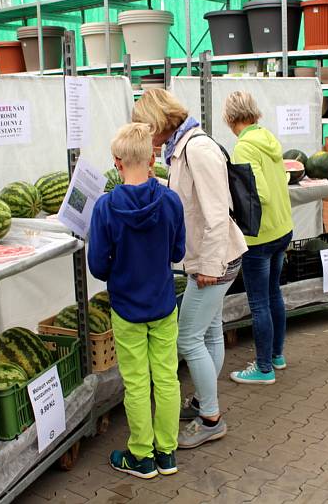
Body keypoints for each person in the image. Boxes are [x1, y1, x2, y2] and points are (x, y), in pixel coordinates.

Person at [132, 89, 247, 449]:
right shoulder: (181, 148)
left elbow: (216, 213)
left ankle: (211, 418)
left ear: (158, 121)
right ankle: (202, 401)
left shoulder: (197, 149)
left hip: (217, 260)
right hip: (208, 259)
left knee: (187, 337)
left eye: (144, 126)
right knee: (210, 333)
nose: (143, 134)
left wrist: (210, 266)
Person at [87, 122, 186, 478]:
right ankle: (167, 453)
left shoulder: (105, 208)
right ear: (152, 157)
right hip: (163, 304)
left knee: (137, 382)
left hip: (126, 309)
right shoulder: (171, 201)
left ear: (117, 162)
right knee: (167, 378)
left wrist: (120, 269)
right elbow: (178, 251)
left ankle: (141, 456)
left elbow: (98, 265)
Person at [223, 91, 294, 385]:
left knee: (259, 302)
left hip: (260, 237)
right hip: (282, 229)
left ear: (229, 118)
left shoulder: (244, 148)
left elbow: (258, 194)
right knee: (274, 292)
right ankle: (277, 355)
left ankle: (263, 368)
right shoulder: (267, 139)